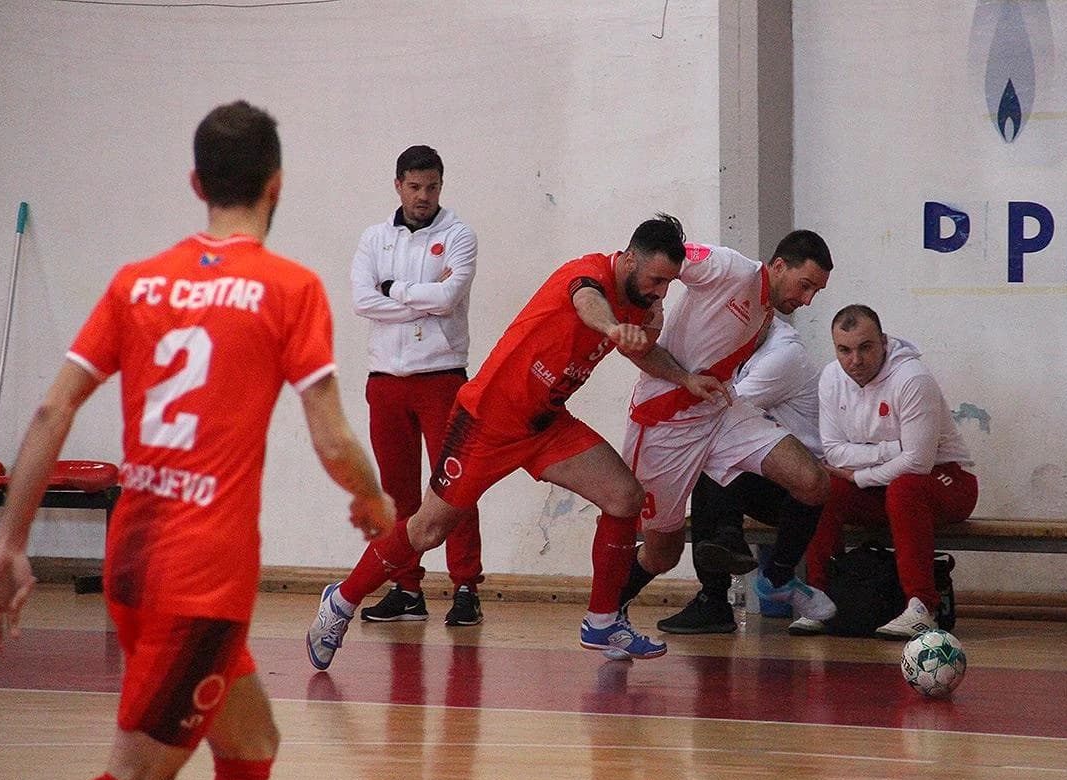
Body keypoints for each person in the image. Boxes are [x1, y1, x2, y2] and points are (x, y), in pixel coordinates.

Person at [0, 101, 394, 780]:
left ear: (196, 183)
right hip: (201, 583)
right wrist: (373, 501)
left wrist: (10, 541)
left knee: (252, 746)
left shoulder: (137, 283)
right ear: (277, 184)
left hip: (133, 564)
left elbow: (50, 410)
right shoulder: (289, 288)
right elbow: (334, 439)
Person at [307, 213, 725, 668]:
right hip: (487, 422)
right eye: (656, 280)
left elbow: (643, 352)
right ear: (628, 260)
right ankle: (340, 602)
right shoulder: (586, 275)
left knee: (625, 497)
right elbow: (587, 302)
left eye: (668, 284)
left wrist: (685, 378)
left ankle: (602, 620)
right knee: (428, 529)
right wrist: (611, 328)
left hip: (546, 425)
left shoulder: (640, 304)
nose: (661, 291)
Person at [614, 233, 838, 625]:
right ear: (779, 266)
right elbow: (664, 257)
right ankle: (605, 611)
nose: (807, 300)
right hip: (665, 421)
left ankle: (778, 579)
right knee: (662, 554)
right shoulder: (729, 268)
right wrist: (642, 310)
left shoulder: (766, 313)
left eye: (815, 292)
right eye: (805, 286)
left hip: (719, 411)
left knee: (813, 482)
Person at [351, 145, 485, 627]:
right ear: (398, 185)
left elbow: (448, 299)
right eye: (414, 186)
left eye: (431, 186)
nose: (423, 196)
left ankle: (466, 587)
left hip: (442, 376)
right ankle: (406, 587)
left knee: (456, 484)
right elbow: (362, 301)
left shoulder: (459, 235)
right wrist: (421, 300)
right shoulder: (374, 238)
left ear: (441, 186)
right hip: (385, 379)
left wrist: (393, 290)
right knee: (395, 490)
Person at [805, 304, 977, 639]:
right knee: (818, 486)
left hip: (947, 480)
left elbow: (918, 463)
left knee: (905, 487)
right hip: (885, 486)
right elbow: (834, 452)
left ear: (884, 342)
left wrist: (860, 476)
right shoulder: (830, 377)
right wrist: (892, 450)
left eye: (865, 347)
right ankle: (820, 599)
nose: (855, 360)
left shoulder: (912, 378)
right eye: (844, 350)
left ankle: (922, 607)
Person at [656, 313, 826, 635]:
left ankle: (717, 590)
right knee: (717, 460)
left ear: (764, 318)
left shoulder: (784, 355)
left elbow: (716, 409)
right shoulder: (738, 348)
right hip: (772, 477)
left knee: (717, 456)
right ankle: (724, 553)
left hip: (802, 493)